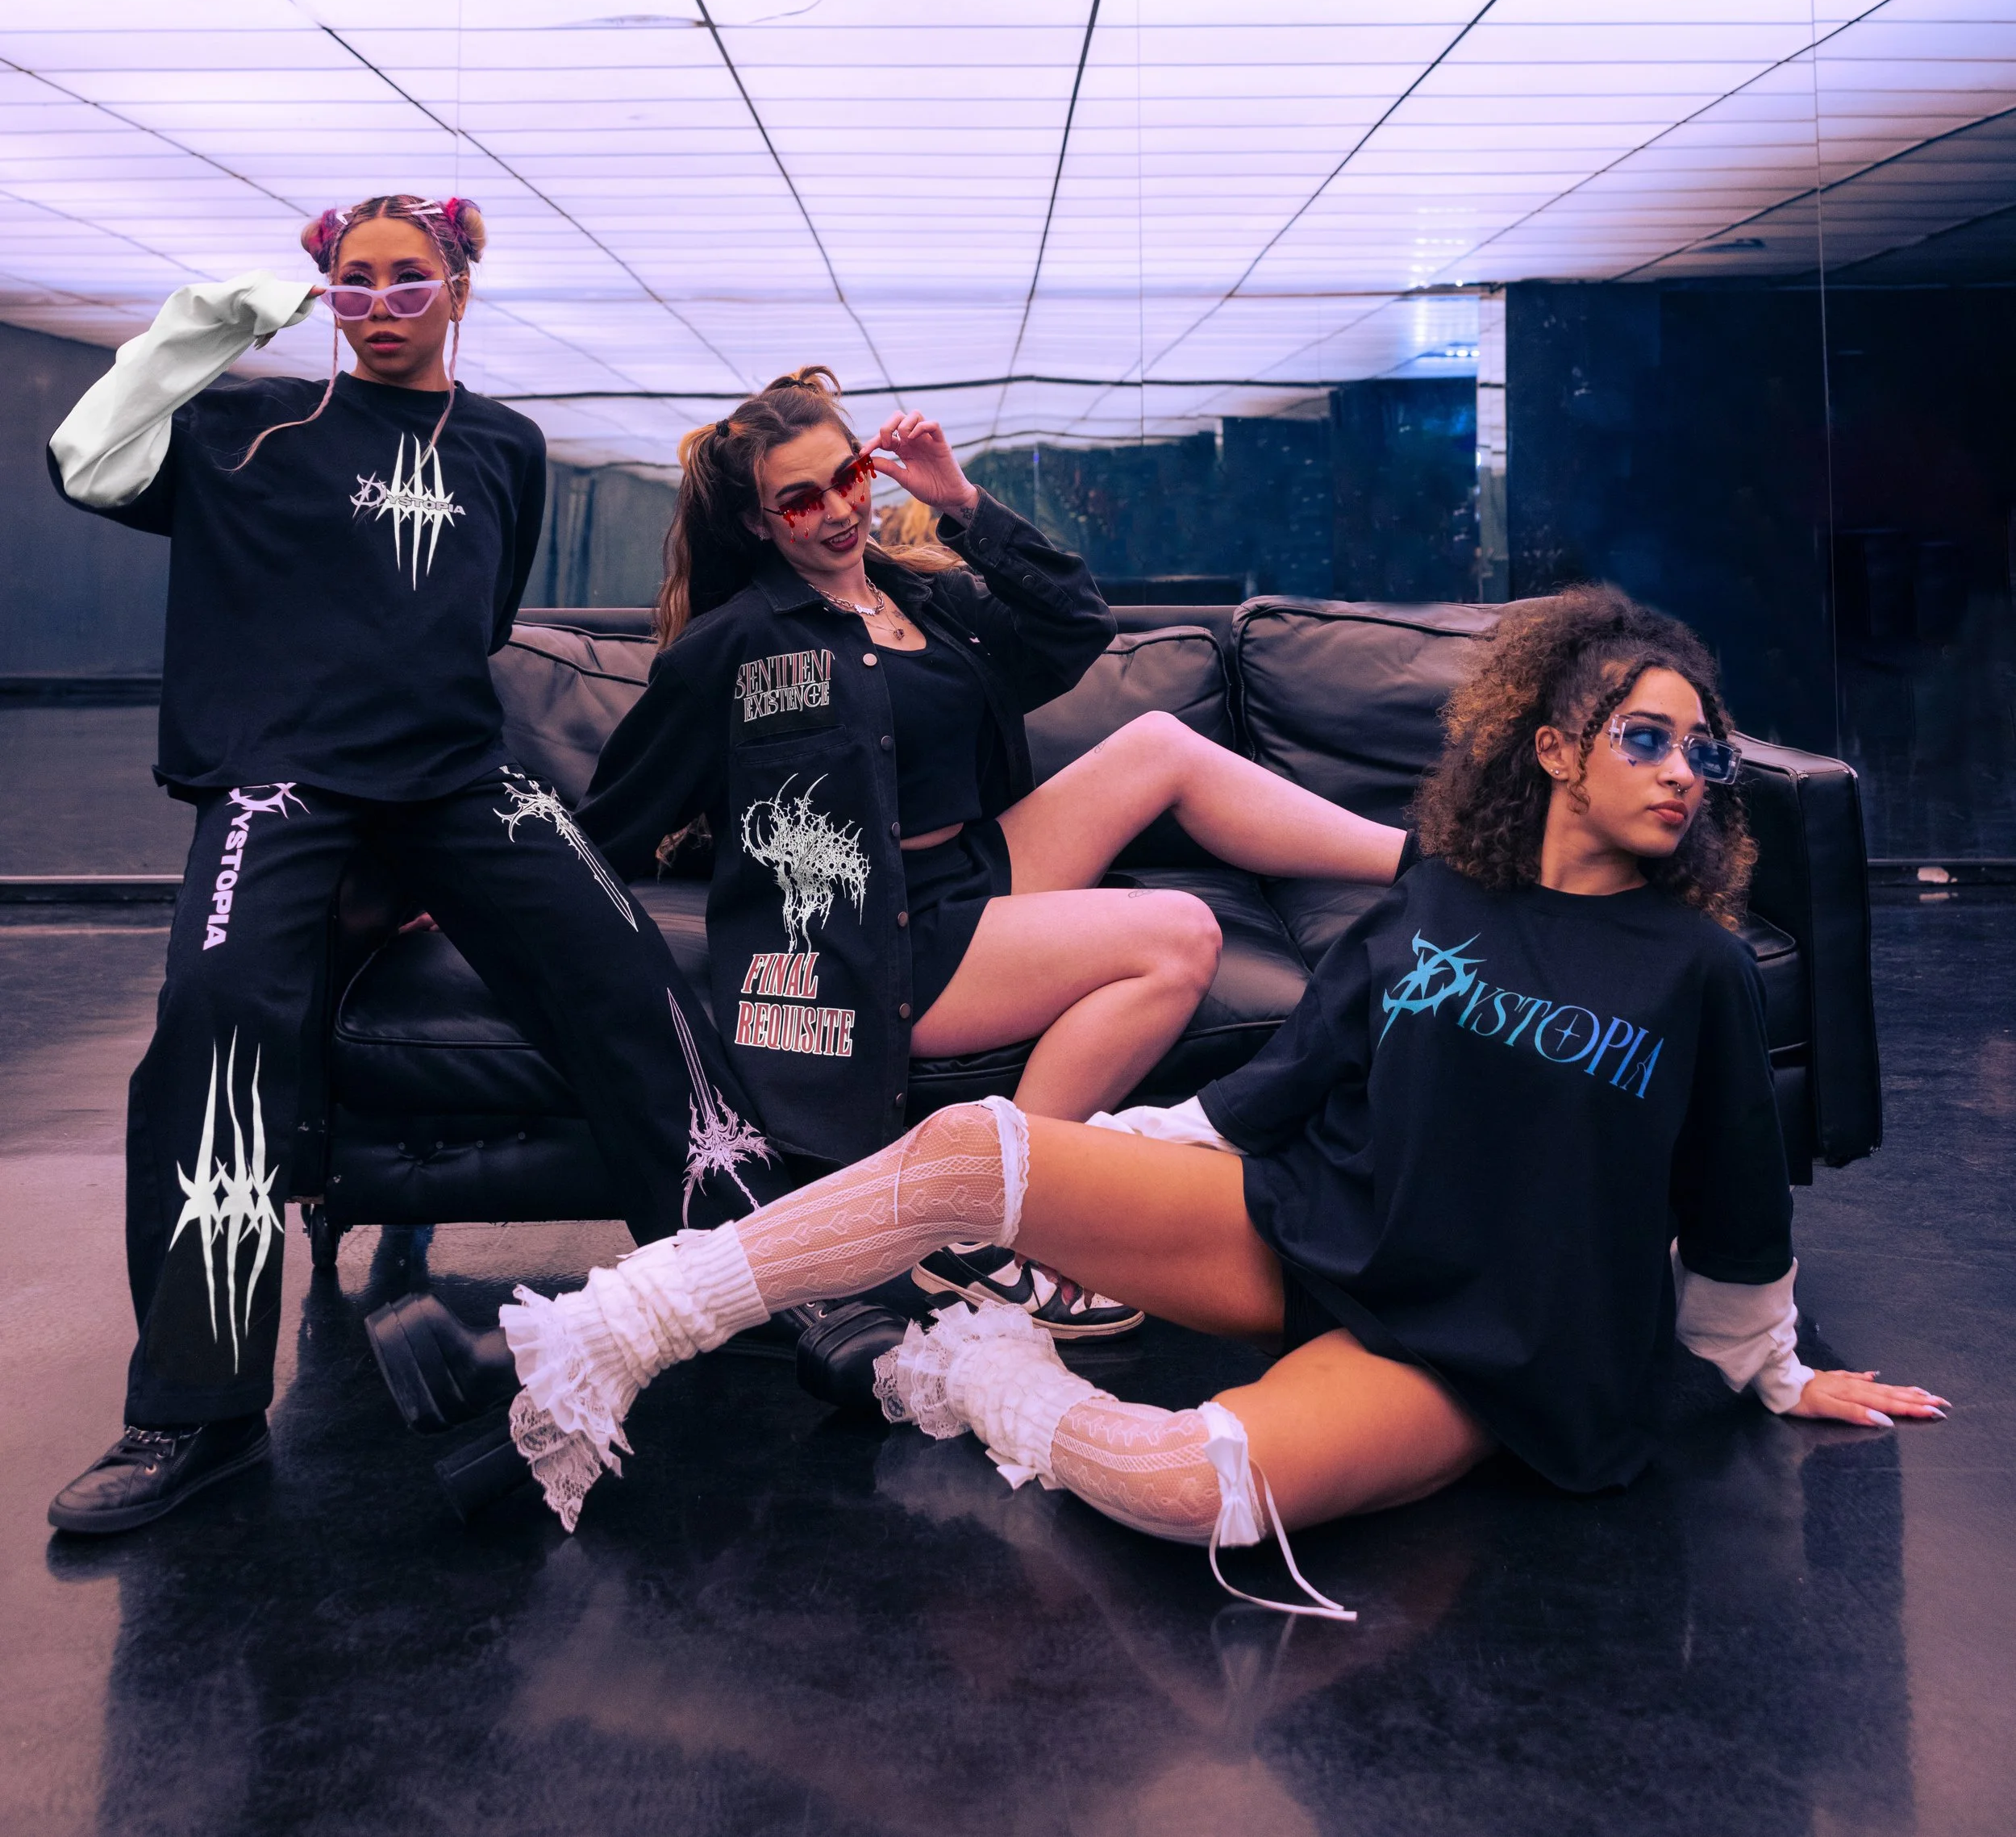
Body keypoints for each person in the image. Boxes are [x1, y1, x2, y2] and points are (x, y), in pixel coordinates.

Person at [388, 585, 1944, 1597]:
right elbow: (1284, 1081)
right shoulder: (1433, 905)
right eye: (1649, 738)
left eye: (1706, 756)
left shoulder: (1699, 970)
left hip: (1481, 1338)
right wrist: (1086, 1174)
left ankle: (961, 1378)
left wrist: (1770, 1364)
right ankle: (598, 1339)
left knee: (1198, 1482)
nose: (1685, 772)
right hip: (1304, 1224)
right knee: (970, 1145)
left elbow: (1737, 1200)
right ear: (1553, 748)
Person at [43, 193, 789, 1536]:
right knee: (215, 1017)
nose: (382, 300)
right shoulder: (245, 422)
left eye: (410, 277)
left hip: (458, 774)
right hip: (280, 776)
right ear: (323, 291)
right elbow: (85, 465)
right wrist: (194, 336)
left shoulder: (505, 443)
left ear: (458, 288)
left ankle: (751, 1284)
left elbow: (476, 612)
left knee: (624, 963)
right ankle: (193, 1414)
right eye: (355, 278)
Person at [577, 369, 1405, 1333]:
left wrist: (959, 500)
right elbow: (617, 813)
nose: (841, 509)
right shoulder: (734, 647)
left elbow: (1074, 627)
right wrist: (495, 891)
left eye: (850, 476)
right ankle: (998, 1225)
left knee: (1159, 746)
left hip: (972, 871)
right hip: (882, 938)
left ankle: (1434, 864)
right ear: (759, 524)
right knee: (1179, 933)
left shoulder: (923, 594)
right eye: (801, 500)